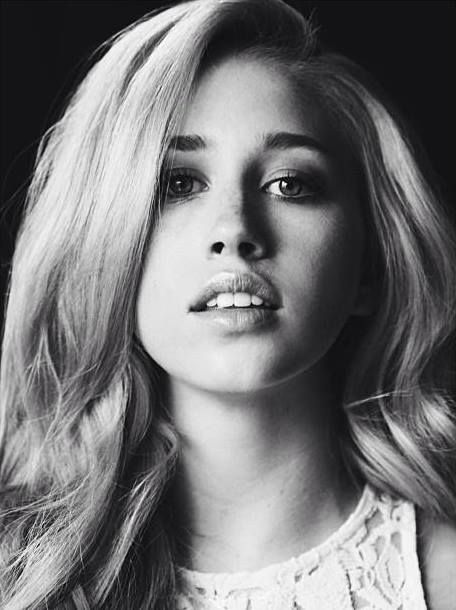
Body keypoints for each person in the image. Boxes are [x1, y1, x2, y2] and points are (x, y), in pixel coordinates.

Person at [1, 0, 455, 608]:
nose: (234, 230)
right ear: (101, 246)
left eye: (290, 184)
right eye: (178, 184)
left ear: (371, 265)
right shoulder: (20, 579)